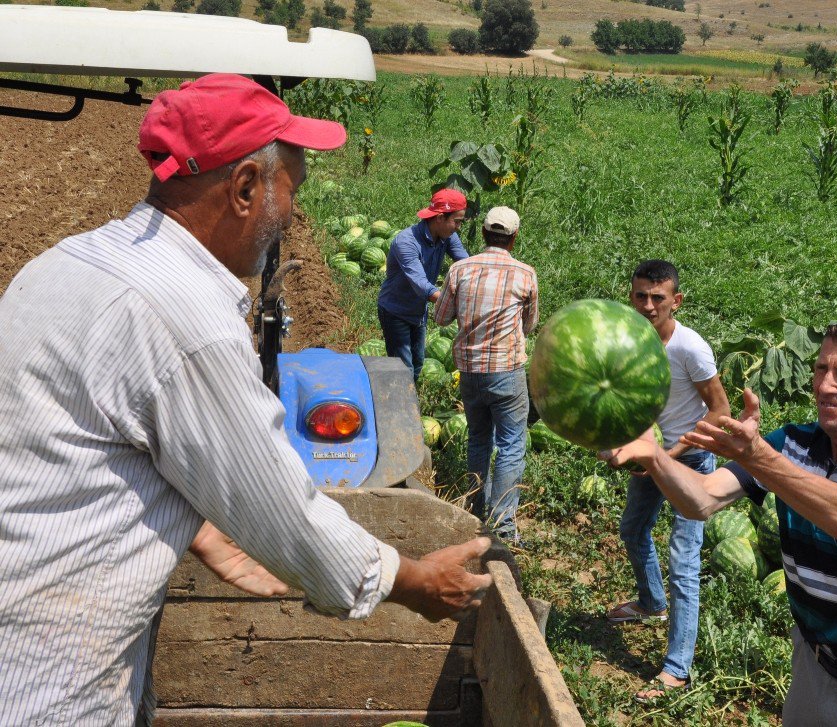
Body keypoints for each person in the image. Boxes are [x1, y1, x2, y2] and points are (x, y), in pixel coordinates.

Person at [0, 74, 491, 726]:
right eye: (294, 190)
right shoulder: (186, 317)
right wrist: (417, 581)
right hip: (45, 685)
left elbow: (64, 442)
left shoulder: (68, 262)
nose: (292, 213)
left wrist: (184, 511)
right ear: (243, 189)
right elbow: (288, 515)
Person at [603, 316, 837, 725]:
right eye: (822, 368)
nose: (825, 386)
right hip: (813, 668)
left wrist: (755, 456)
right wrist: (653, 454)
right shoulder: (792, 442)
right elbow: (701, 499)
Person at [604, 260, 731, 701]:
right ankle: (651, 603)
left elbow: (721, 412)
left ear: (676, 300)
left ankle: (676, 669)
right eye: (640, 295)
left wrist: (667, 454)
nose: (648, 305)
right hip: (650, 453)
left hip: (690, 461)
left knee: (684, 561)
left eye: (658, 297)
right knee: (633, 530)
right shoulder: (626, 341)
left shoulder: (690, 349)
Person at [433, 207, 538, 544]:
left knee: (478, 438)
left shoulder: (460, 269)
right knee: (510, 445)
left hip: (469, 371)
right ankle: (504, 526)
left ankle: (476, 511)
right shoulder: (525, 274)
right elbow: (529, 325)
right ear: (514, 237)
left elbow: (441, 319)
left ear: (481, 234)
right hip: (506, 372)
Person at [378, 188, 469, 383]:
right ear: (439, 218)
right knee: (402, 369)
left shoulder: (447, 236)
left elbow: (465, 264)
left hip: (419, 311)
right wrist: (452, 303)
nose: (459, 227)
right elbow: (421, 284)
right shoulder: (406, 242)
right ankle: (399, 408)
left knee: (417, 363)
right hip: (396, 311)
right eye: (457, 221)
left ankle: (408, 401)